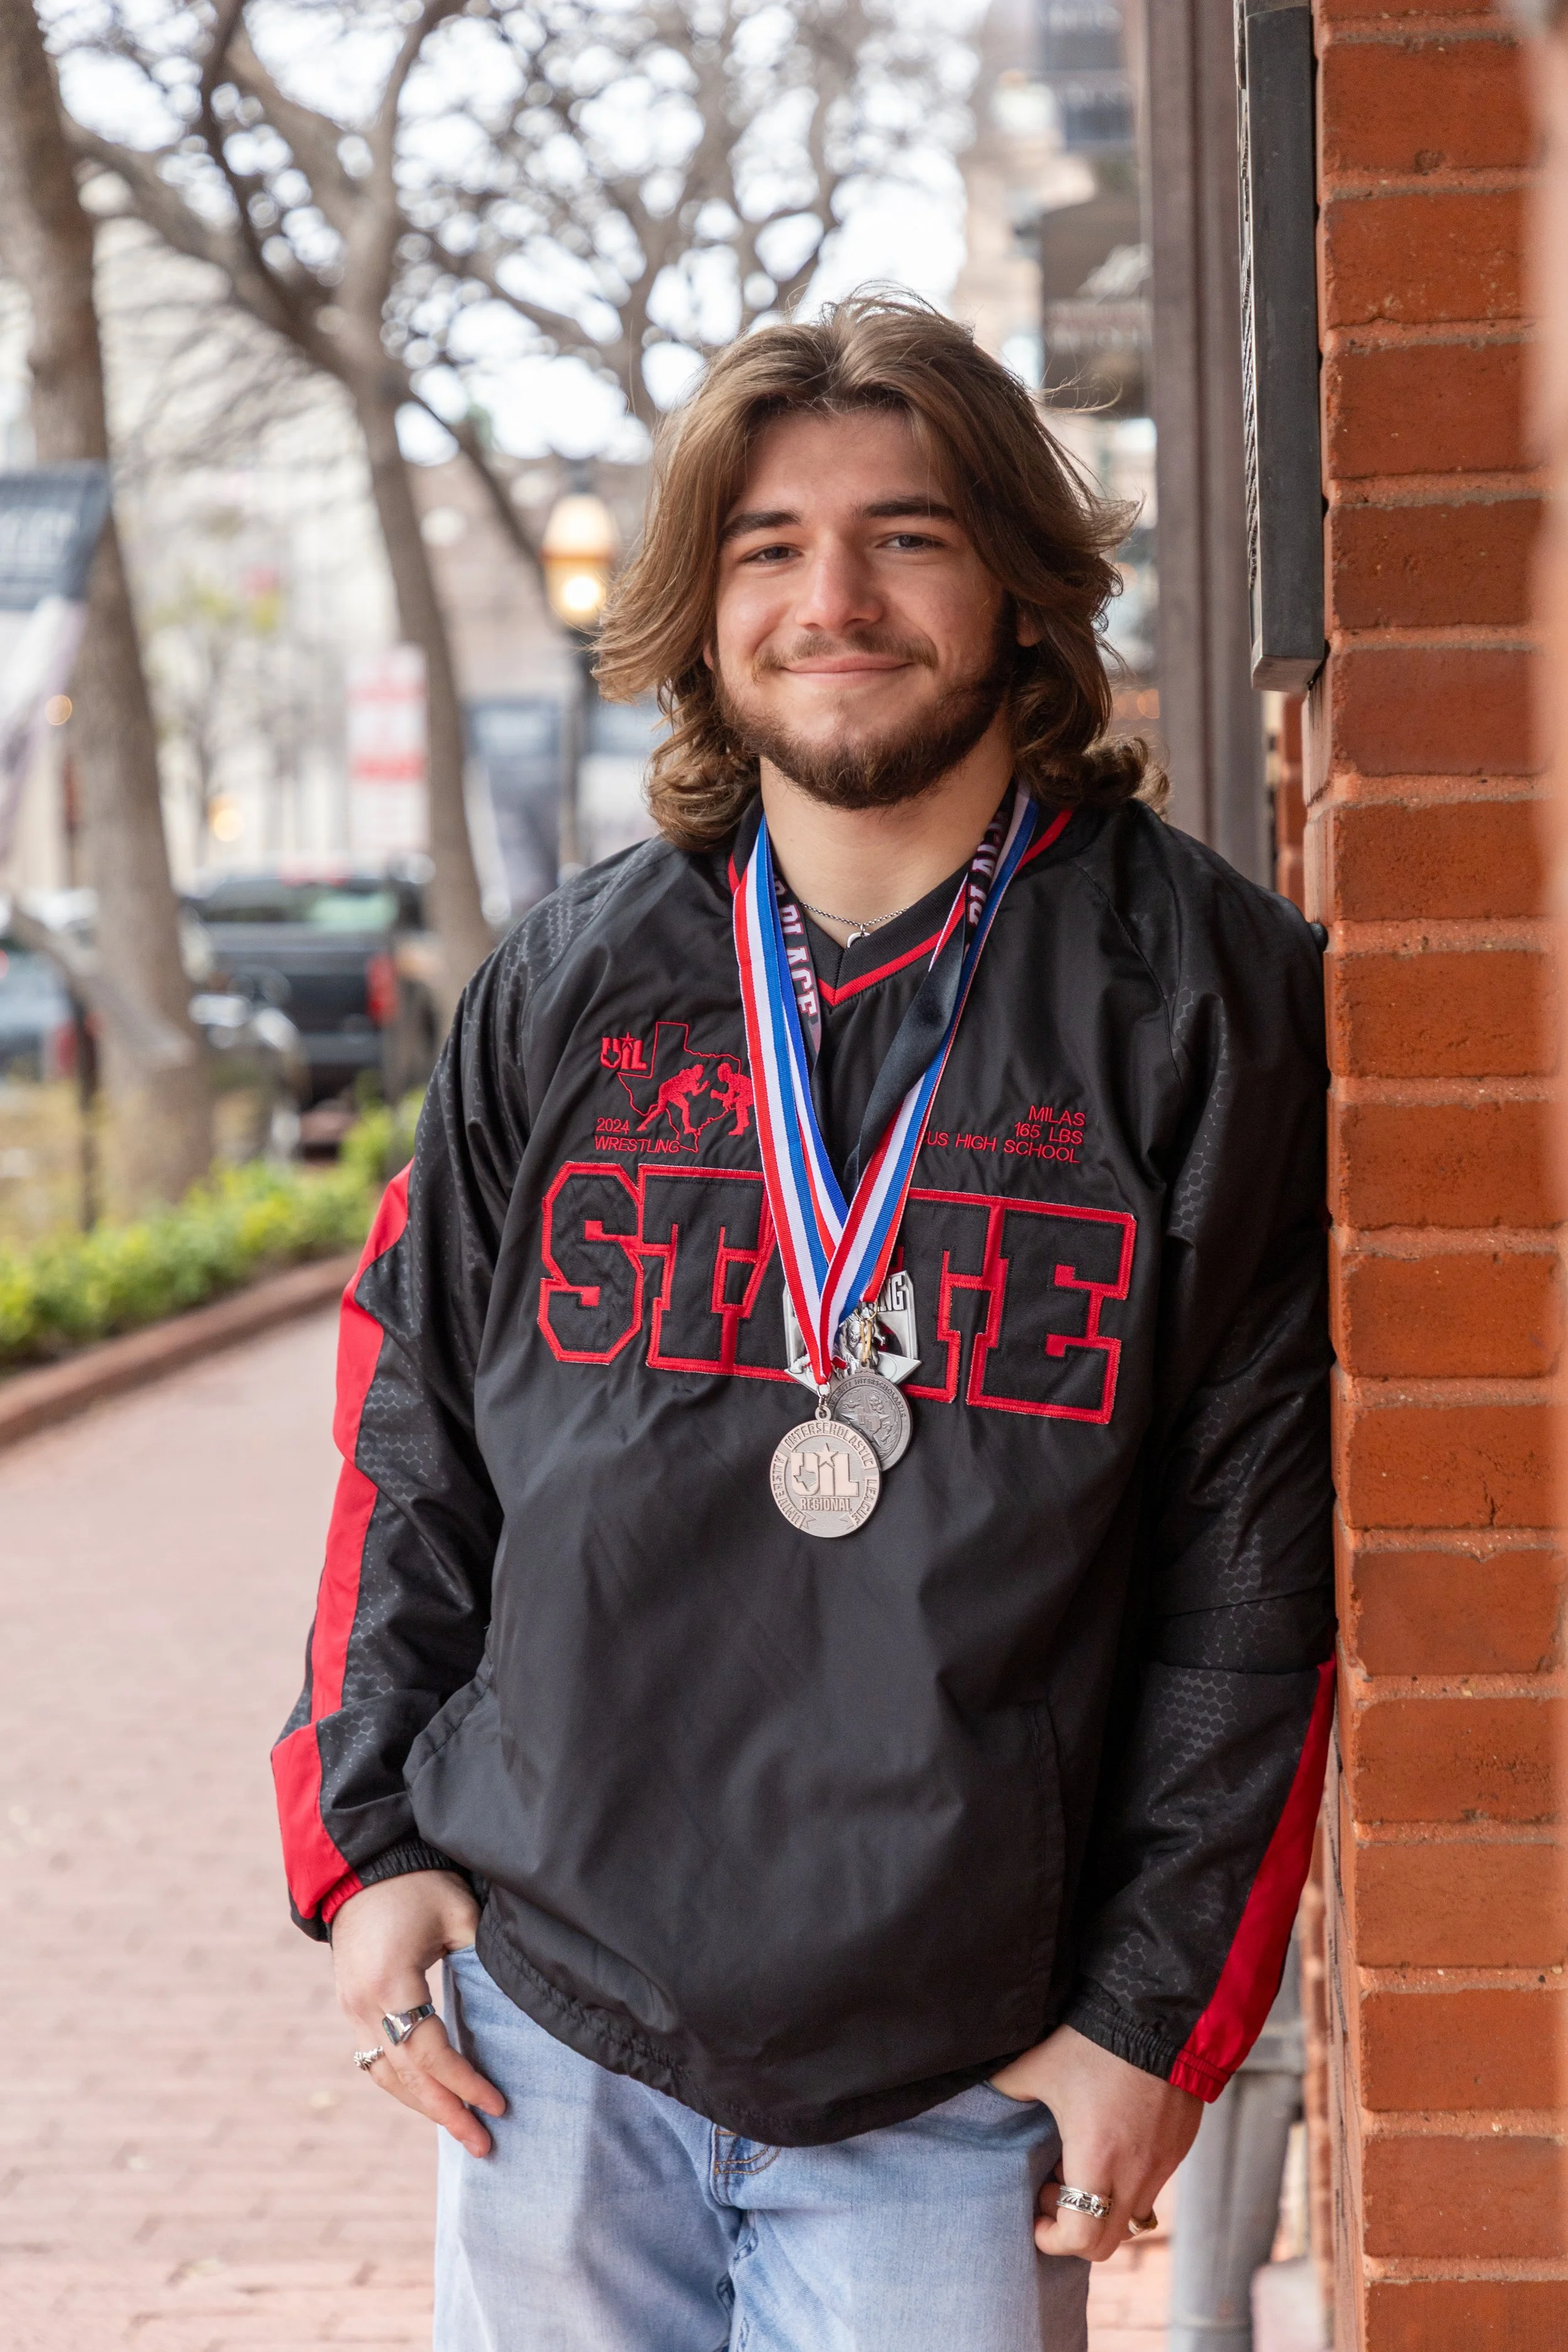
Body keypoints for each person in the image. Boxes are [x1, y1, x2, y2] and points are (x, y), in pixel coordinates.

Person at [273, 294, 1333, 2352]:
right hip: (548, 2025)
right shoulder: (562, 987)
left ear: (1023, 593)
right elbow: (412, 1436)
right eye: (767, 546)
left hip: (953, 2063)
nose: (830, 598)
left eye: (905, 536)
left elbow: (1252, 1561)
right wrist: (365, 1840)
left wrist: (1152, 2020)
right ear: (700, 607)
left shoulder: (1197, 997)